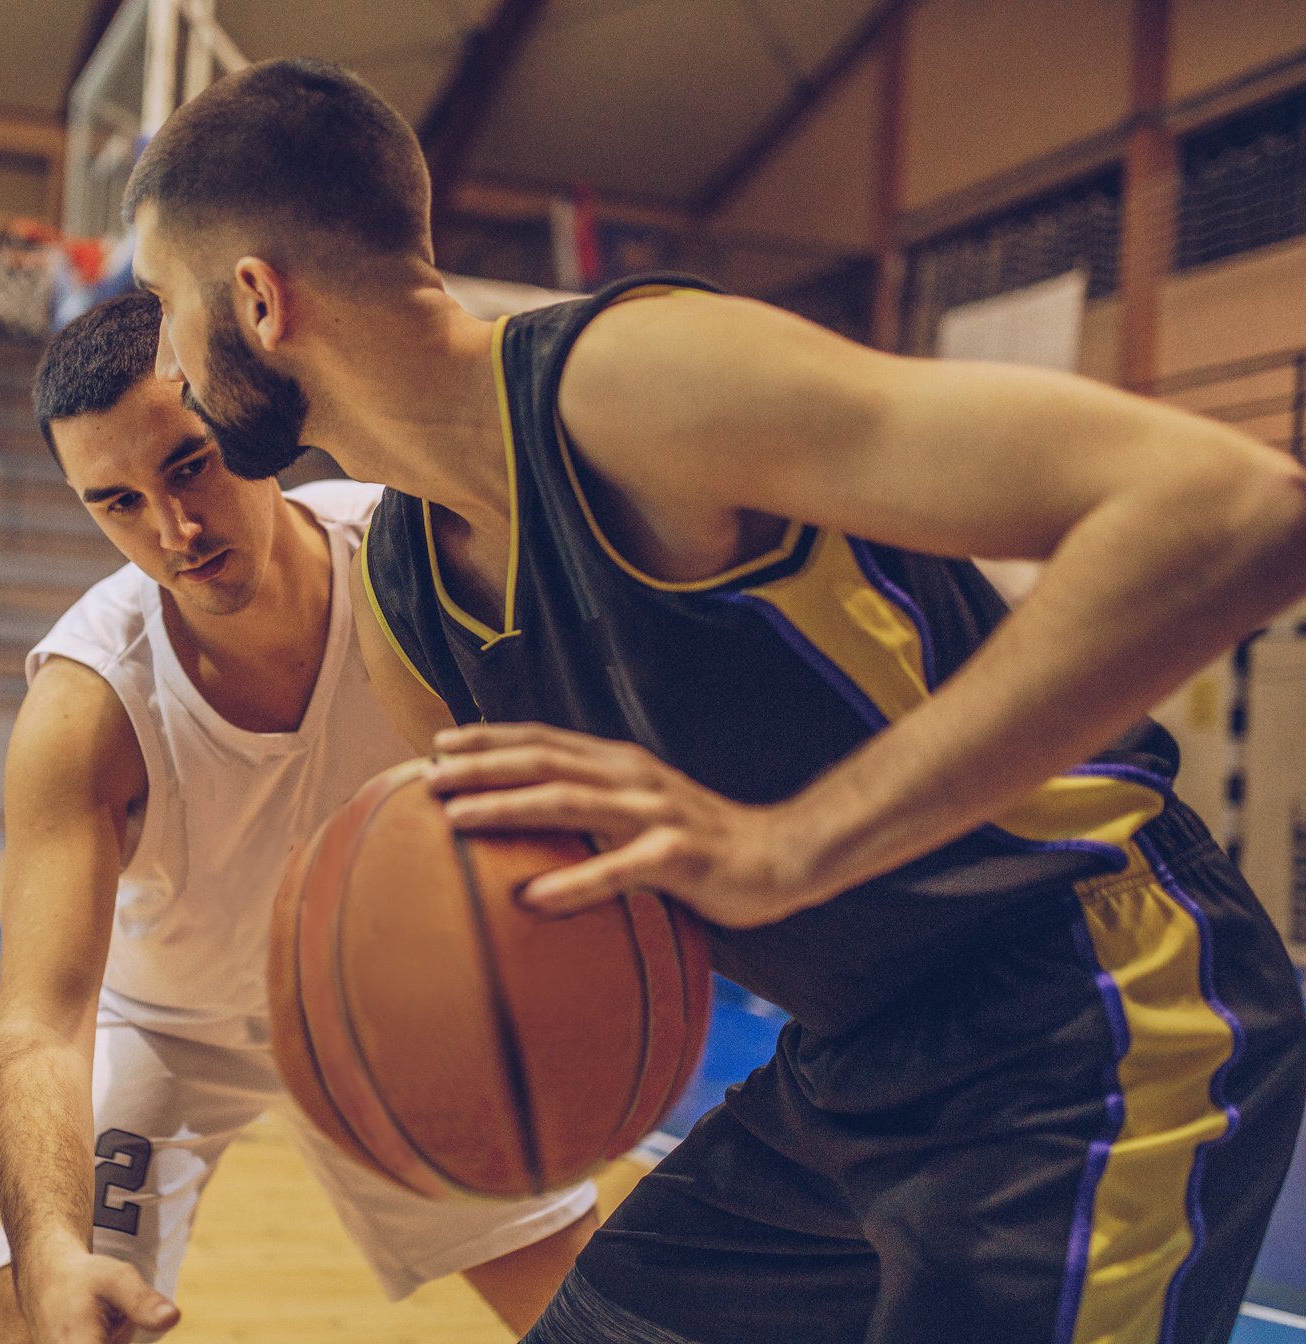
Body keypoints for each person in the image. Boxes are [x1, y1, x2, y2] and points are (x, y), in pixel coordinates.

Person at [124, 59, 1306, 1344]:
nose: (174, 369)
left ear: (256, 297)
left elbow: (1234, 511)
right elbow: (558, 923)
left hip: (1087, 1001)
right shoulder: (407, 605)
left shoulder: (629, 383)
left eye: (164, 309)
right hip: (851, 1069)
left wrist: (789, 844)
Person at [0, 292, 595, 1344]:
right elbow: (40, 1022)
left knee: (599, 1322)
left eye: (188, 464)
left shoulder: (418, 566)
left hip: (392, 1017)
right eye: (115, 503)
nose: (172, 531)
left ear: (249, 425)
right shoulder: (87, 703)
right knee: (54, 1317)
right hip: (171, 1026)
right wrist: (45, 1249)